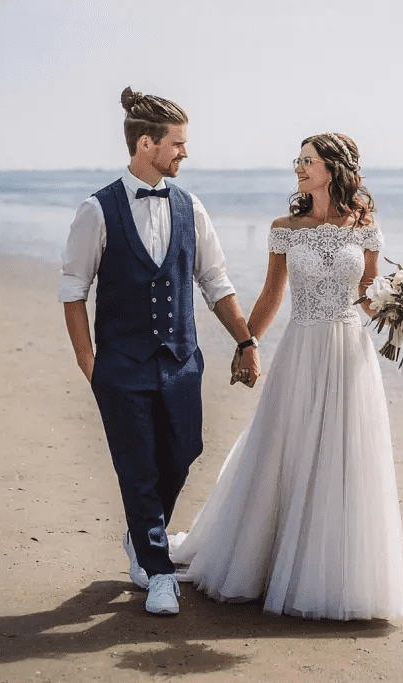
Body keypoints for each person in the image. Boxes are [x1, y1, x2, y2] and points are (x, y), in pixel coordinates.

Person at [172, 132, 403, 620]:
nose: (299, 167)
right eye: (298, 160)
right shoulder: (284, 227)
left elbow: (367, 293)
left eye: (309, 160)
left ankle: (332, 576)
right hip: (301, 350)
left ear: (333, 168)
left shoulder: (364, 227)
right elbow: (271, 295)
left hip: (348, 354)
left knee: (341, 456)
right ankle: (265, 562)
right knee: (286, 448)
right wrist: (247, 342)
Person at [59, 87, 260, 616]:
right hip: (119, 368)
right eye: (178, 144)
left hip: (180, 364)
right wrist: (89, 362)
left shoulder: (192, 208)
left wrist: (245, 338)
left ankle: (140, 537)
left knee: (183, 451)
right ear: (146, 144)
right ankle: (158, 570)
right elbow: (73, 292)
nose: (185, 154)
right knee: (137, 468)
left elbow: (215, 282)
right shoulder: (95, 211)